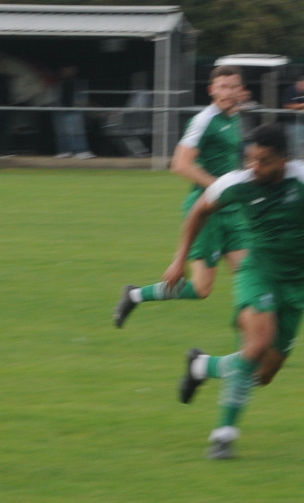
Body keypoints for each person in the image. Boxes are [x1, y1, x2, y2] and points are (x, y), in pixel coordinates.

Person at [166, 123, 304, 459]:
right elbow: (199, 211)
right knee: (258, 343)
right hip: (257, 269)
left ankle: (202, 366)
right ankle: (224, 435)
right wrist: (179, 260)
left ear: (286, 159)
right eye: (251, 159)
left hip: (297, 282)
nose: (255, 168)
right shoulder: (237, 183)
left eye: (265, 162)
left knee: (263, 374)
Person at [114, 66, 248, 328]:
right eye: (222, 86)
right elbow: (180, 164)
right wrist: (217, 186)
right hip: (207, 211)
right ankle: (135, 294)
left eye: (233, 87)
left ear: (240, 90)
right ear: (211, 90)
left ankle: (251, 341)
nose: (228, 92)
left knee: (248, 274)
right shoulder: (204, 120)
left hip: (233, 211)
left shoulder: (234, 118)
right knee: (201, 288)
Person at [50, 66, 95, 160]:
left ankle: (81, 151)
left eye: (69, 69)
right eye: (65, 69)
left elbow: (83, 97)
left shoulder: (80, 81)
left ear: (75, 71)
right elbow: (54, 95)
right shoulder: (57, 82)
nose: (66, 71)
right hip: (60, 109)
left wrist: (80, 105)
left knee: (76, 131)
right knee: (61, 132)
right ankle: (64, 151)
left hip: (74, 109)